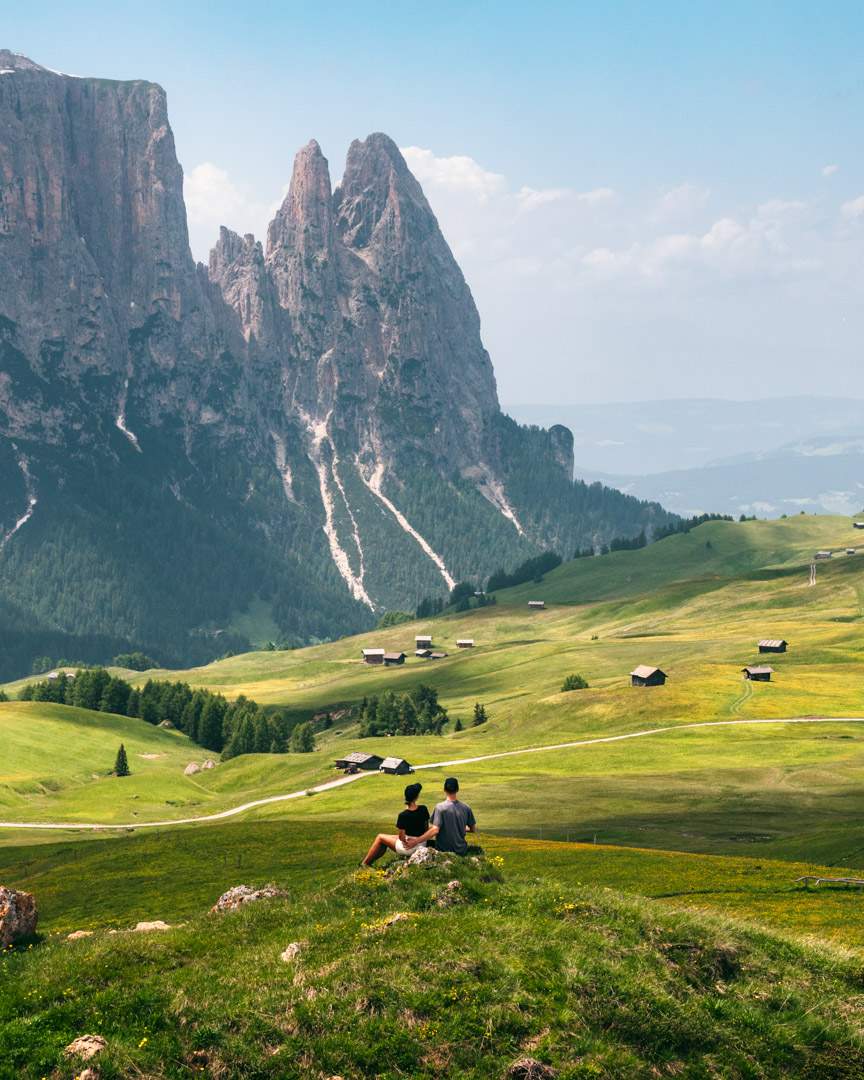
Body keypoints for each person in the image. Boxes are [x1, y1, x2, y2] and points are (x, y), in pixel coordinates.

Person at [361, 781, 436, 866]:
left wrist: (407, 841)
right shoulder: (423, 809)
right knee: (390, 837)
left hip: (409, 847)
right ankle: (369, 862)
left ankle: (365, 863)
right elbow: (425, 829)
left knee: (380, 837)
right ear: (417, 797)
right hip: (422, 843)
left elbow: (401, 837)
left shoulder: (403, 815)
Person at [431, 776, 476, 855]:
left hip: (443, 851)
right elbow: (473, 829)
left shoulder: (440, 807)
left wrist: (417, 840)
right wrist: (461, 828)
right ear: (457, 789)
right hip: (461, 851)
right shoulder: (466, 808)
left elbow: (435, 829)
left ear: (444, 789)